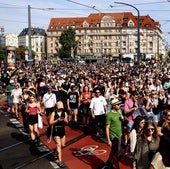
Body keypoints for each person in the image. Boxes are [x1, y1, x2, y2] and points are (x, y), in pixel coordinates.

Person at [105, 98, 124, 169]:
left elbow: (122, 120)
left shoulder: (119, 111)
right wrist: (109, 140)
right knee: (115, 153)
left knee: (114, 151)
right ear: (114, 106)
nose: (119, 106)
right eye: (118, 105)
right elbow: (107, 128)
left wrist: (122, 119)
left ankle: (108, 161)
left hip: (120, 135)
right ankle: (117, 167)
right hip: (114, 137)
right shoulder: (109, 115)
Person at [49, 101, 68, 168]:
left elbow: (66, 122)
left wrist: (65, 121)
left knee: (62, 145)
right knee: (58, 145)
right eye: (59, 106)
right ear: (56, 107)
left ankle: (55, 151)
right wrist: (57, 120)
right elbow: (50, 123)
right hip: (55, 130)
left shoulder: (64, 113)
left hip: (62, 130)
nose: (60, 108)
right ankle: (60, 161)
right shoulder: (54, 113)